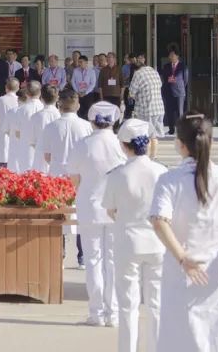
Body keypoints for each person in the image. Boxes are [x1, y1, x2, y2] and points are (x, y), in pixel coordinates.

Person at [149, 113, 218, 352]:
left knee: (181, 340)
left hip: (181, 276)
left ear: (180, 144)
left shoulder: (169, 180)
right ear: (211, 141)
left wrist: (182, 257)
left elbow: (159, 221)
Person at [103, 119, 167, 352]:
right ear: (148, 143)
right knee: (156, 304)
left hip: (128, 242)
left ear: (123, 145)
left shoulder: (117, 174)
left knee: (128, 305)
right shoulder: (162, 172)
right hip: (158, 242)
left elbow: (110, 210)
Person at [69, 104, 127, 326]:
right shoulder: (120, 144)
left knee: (93, 260)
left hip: (90, 205)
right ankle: (113, 313)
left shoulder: (82, 144)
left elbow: (74, 178)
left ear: (92, 121)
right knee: (113, 260)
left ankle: (97, 313)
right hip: (116, 207)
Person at [38, 88, 93, 267]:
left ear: (59, 105)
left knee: (58, 213)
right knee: (80, 212)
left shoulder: (51, 127)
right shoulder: (86, 126)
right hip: (80, 175)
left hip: (57, 175)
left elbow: (47, 156)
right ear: (78, 105)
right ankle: (82, 255)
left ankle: (59, 254)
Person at [8, 80, 43, 173]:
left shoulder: (21, 110)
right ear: (40, 93)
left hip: (26, 150)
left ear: (26, 93)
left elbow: (17, 133)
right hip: (42, 150)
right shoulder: (45, 109)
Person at [26, 85, 61, 175]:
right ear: (57, 98)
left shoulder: (35, 117)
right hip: (58, 158)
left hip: (40, 156)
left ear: (41, 98)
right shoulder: (60, 116)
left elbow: (32, 141)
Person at [128, 54, 164, 137]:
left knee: (146, 135)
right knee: (156, 136)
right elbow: (160, 85)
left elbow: (131, 93)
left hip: (146, 110)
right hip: (159, 108)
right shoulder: (154, 71)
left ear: (135, 70)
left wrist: (130, 98)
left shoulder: (138, 73)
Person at [0, 78, 20, 169]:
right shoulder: (20, 101)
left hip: (2, 132)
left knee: (2, 159)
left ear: (6, 88)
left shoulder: (0, 100)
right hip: (17, 133)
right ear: (18, 88)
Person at [159, 51, 188, 135]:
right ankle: (171, 129)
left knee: (179, 112)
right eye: (170, 55)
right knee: (169, 112)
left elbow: (185, 80)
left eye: (172, 55)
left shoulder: (183, 66)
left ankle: (180, 130)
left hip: (179, 92)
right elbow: (164, 78)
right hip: (168, 91)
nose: (170, 57)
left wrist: (178, 85)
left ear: (177, 56)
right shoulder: (166, 66)